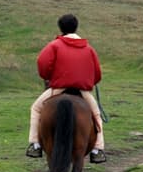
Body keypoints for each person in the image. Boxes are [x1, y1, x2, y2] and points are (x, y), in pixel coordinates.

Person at [26, 14, 106, 163]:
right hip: (82, 90)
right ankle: (97, 149)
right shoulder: (89, 49)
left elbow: (42, 63)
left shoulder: (54, 45)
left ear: (60, 28)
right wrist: (89, 82)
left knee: (36, 108)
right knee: (96, 115)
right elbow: (97, 74)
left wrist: (48, 76)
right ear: (76, 27)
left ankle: (35, 144)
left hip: (58, 88)